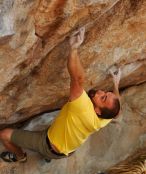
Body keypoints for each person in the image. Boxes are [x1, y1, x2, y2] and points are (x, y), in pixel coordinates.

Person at [0, 27, 121, 163]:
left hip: (46, 144)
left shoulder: (83, 109)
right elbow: (117, 112)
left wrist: (74, 48)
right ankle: (47, 157)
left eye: (103, 97)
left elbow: (78, 79)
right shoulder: (104, 118)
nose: (100, 92)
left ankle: (20, 157)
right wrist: (116, 84)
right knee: (55, 139)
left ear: (97, 111)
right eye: (106, 93)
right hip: (67, 149)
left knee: (4, 135)